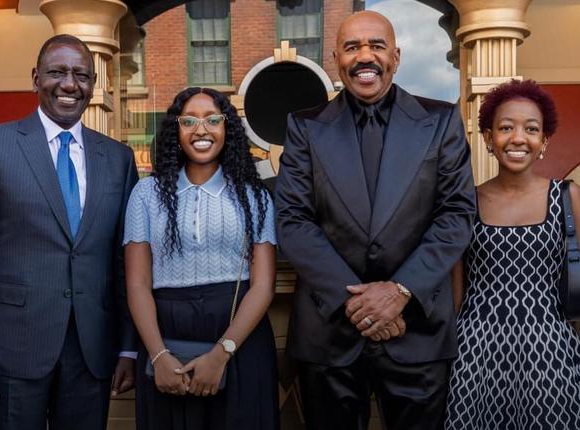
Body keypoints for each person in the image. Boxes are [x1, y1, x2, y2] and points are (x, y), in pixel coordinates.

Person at [275, 10, 477, 430]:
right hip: (329, 333)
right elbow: (293, 219)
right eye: (352, 47)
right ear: (336, 58)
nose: (364, 56)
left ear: (397, 57)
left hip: (417, 330)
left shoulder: (440, 122)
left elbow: (456, 214)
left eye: (376, 45)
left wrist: (401, 291)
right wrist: (357, 303)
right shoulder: (305, 127)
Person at [0, 34, 138, 429]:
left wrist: (129, 348)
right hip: (11, 348)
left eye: (82, 75)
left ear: (93, 85)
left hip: (92, 348)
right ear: (35, 78)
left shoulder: (118, 158)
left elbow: (126, 262)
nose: (70, 84)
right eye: (57, 72)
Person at [124, 87, 279, 430]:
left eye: (213, 120)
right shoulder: (146, 195)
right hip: (165, 334)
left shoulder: (254, 197)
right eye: (189, 121)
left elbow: (263, 285)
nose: (201, 130)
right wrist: (158, 355)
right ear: (175, 131)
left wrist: (221, 353)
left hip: (239, 334)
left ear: (227, 129)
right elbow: (136, 283)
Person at [446, 79, 580, 429]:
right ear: (489, 139)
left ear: (544, 141)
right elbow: (457, 291)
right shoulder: (466, 201)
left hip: (550, 350)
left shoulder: (568, 197)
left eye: (531, 129)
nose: (518, 138)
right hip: (476, 349)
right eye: (506, 128)